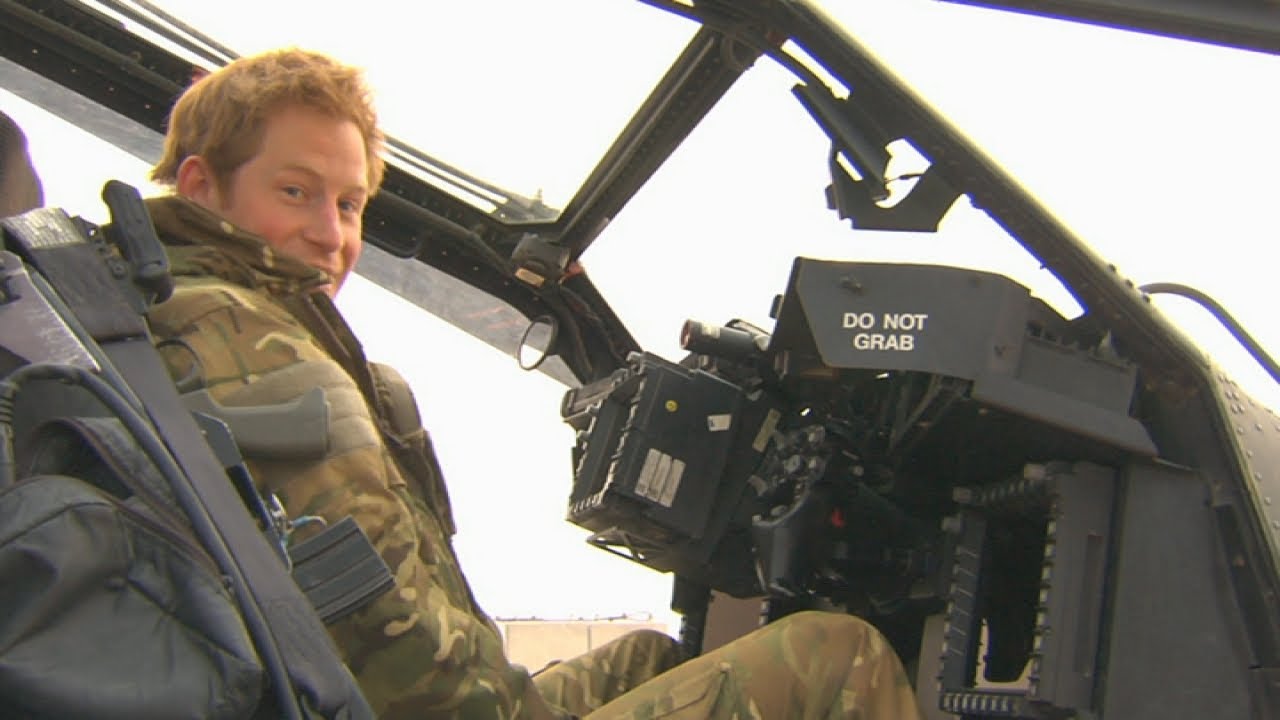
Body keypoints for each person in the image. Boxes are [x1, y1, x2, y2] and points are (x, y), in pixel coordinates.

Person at [143, 47, 925, 720]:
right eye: (295, 192)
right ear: (203, 186)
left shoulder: (182, 315)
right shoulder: (256, 341)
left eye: (349, 204)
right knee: (837, 651)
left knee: (649, 661)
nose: (331, 234)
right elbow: (388, 638)